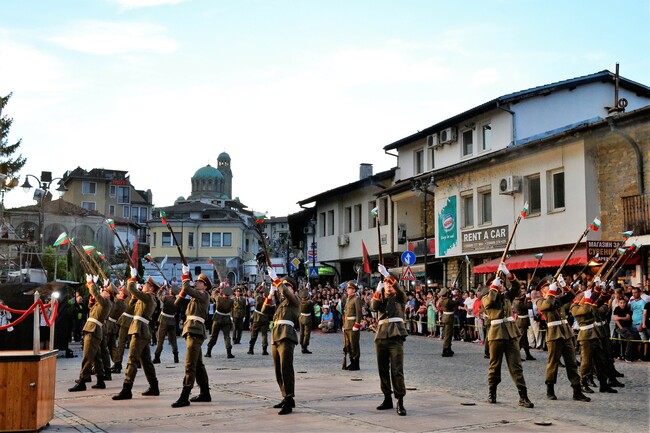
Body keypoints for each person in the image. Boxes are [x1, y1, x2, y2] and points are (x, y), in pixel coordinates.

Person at [481, 263, 534, 408]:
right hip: (496, 335)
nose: (502, 286)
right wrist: (494, 287)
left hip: (511, 334)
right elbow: (490, 301)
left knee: (516, 366)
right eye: (499, 284)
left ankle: (523, 397)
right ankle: (492, 393)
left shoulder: (506, 297)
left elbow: (516, 289)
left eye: (502, 284)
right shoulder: (486, 297)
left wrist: (509, 275)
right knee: (495, 366)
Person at [533, 277, 590, 402]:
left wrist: (564, 285)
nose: (552, 287)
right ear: (542, 290)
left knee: (572, 363)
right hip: (554, 335)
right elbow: (548, 304)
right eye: (548, 286)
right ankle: (550, 389)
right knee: (553, 363)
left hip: (566, 333)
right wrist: (552, 292)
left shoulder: (556, 299)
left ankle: (577, 391)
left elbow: (571, 296)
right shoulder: (540, 301)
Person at [113, 270, 160, 400]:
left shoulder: (149, 297)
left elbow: (131, 289)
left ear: (150, 288)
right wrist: (134, 295)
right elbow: (131, 306)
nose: (143, 285)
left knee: (132, 359)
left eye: (145, 284)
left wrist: (133, 278)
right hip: (140, 329)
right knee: (146, 362)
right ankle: (154, 386)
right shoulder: (147, 298)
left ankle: (127, 389)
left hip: (140, 330)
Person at [171, 269, 212, 408]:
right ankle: (205, 393)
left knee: (190, 365)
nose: (197, 283)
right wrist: (183, 292)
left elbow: (187, 287)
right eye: (197, 281)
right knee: (198, 364)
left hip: (195, 331)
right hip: (191, 330)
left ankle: (184, 396)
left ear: (205, 286)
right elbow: (177, 303)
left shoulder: (204, 295)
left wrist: (185, 274)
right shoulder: (195, 297)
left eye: (200, 282)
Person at [371, 264, 408, 416]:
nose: (388, 285)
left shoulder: (399, 298)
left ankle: (400, 400)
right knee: (382, 369)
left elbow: (400, 291)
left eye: (389, 283)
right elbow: (374, 307)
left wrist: (387, 274)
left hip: (396, 336)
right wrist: (377, 291)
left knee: (397, 370)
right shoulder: (381, 298)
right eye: (386, 283)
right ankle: (387, 398)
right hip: (381, 336)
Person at [265, 267, 300, 415]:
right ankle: (285, 396)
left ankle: (289, 398)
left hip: (287, 335)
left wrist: (276, 279)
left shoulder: (295, 300)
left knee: (286, 367)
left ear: (293, 289)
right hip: (276, 335)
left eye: (288, 286)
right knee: (278, 369)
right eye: (284, 285)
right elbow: (264, 311)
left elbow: (285, 291)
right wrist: (271, 293)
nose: (285, 288)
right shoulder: (281, 304)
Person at [570, 287, 618, 394]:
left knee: (601, 361)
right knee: (586, 362)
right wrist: (587, 298)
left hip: (595, 335)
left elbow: (599, 302)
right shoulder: (574, 307)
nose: (587, 298)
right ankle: (583, 383)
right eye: (583, 296)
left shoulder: (588, 304)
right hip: (585, 337)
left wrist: (600, 289)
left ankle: (603, 384)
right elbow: (586, 309)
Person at [69, 274, 112, 392]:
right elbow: (91, 307)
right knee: (96, 358)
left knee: (87, 356)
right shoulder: (102, 303)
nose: (103, 291)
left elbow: (96, 294)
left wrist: (90, 283)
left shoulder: (106, 303)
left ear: (109, 295)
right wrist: (92, 297)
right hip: (92, 328)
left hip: (93, 330)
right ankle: (100, 380)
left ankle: (82, 381)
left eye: (105, 291)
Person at [206, 283, 234, 359]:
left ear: (223, 293)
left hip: (217, 318)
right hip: (226, 319)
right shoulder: (231, 301)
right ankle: (229, 353)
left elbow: (213, 293)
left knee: (213, 336)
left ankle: (209, 351)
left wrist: (219, 288)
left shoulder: (219, 298)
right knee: (227, 337)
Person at [153, 283, 180, 364]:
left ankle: (157, 357)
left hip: (164, 320)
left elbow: (158, 295)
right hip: (172, 320)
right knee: (173, 340)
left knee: (160, 340)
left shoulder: (166, 298)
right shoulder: (177, 301)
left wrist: (162, 288)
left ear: (171, 291)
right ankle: (176, 357)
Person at [112, 285, 135, 374]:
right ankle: (137, 362)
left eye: (120, 292)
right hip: (130, 322)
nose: (118, 293)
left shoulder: (125, 301)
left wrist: (125, 286)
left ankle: (118, 363)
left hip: (126, 322)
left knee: (121, 343)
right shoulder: (129, 300)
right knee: (133, 344)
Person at [343, 281, 363, 370]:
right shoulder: (348, 299)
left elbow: (359, 313)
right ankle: (351, 362)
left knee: (354, 345)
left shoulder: (356, 299)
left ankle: (356, 363)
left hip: (353, 326)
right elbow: (346, 314)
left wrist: (357, 324)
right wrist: (344, 325)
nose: (347, 290)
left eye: (349, 288)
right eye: (347, 288)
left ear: (353, 290)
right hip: (347, 325)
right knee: (348, 345)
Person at [248, 284, 273, 355]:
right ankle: (264, 350)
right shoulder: (269, 302)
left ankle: (251, 349)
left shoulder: (259, 299)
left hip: (256, 318)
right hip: (265, 319)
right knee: (264, 335)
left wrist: (261, 286)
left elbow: (255, 292)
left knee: (254, 334)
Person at [514, 288, 536, 361]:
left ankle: (528, 354)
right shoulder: (519, 302)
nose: (521, 293)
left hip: (521, 321)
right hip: (522, 321)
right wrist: (528, 297)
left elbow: (522, 299)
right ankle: (516, 356)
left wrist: (526, 294)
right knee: (520, 339)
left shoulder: (516, 300)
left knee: (525, 340)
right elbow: (529, 305)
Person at [440, 286, 459, 357]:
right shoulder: (447, 301)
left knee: (448, 333)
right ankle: (446, 349)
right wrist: (457, 297)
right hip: (449, 318)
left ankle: (448, 347)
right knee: (448, 334)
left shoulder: (442, 300)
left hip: (445, 317)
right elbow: (456, 303)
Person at [298, 287, 313, 354]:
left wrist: (305, 290)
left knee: (301, 333)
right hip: (307, 318)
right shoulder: (309, 303)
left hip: (301, 318)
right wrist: (308, 292)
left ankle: (302, 345)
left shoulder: (299, 302)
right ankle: (305, 347)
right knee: (307, 334)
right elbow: (311, 301)